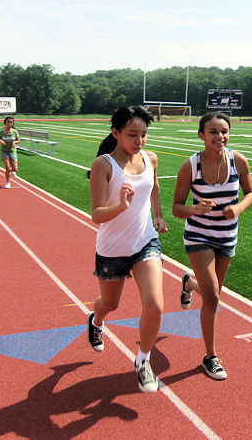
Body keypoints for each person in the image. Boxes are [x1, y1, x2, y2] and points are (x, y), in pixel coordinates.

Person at [87, 105, 168, 393]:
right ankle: (96, 320)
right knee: (109, 305)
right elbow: (96, 214)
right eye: (132, 134)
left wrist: (157, 215)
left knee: (155, 305)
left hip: (144, 242)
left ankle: (143, 361)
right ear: (116, 132)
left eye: (144, 134)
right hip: (111, 248)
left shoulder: (151, 158)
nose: (139, 141)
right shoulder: (103, 165)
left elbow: (154, 186)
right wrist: (120, 206)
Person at [172, 112, 252, 380]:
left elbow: (250, 193)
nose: (220, 137)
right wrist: (195, 209)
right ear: (201, 135)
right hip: (199, 236)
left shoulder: (238, 160)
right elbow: (176, 208)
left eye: (224, 132)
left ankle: (189, 283)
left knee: (212, 292)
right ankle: (210, 356)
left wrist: (238, 208)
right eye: (213, 132)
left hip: (227, 236)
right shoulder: (191, 166)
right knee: (214, 298)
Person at [0, 116, 20, 188]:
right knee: (7, 168)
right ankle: (8, 182)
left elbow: (18, 140)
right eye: (8, 122)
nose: (10, 124)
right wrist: (0, 141)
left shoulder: (14, 132)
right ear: (5, 123)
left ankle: (9, 172)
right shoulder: (1, 133)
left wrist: (14, 142)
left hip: (12, 151)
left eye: (11, 122)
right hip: (4, 151)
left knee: (15, 169)